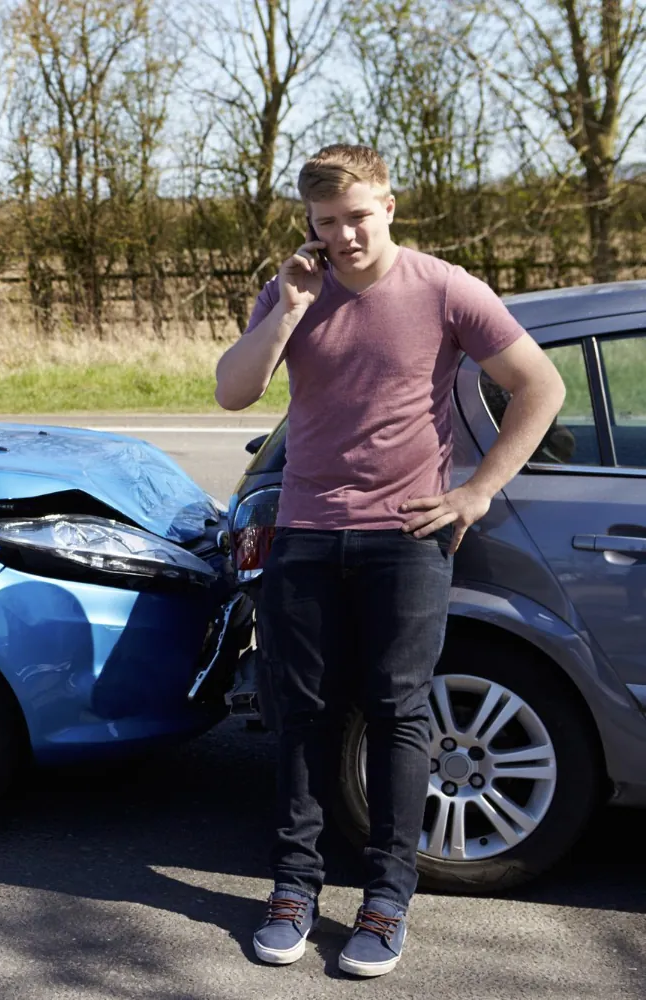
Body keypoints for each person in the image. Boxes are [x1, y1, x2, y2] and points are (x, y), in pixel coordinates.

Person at [214, 145, 564, 977]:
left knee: (399, 714)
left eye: (357, 217)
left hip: (406, 539)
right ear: (309, 222)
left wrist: (476, 492)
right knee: (299, 713)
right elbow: (233, 391)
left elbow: (538, 386)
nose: (343, 236)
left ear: (390, 207)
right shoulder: (297, 289)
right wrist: (288, 310)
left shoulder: (445, 289)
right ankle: (294, 890)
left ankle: (385, 900)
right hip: (305, 530)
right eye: (325, 222)